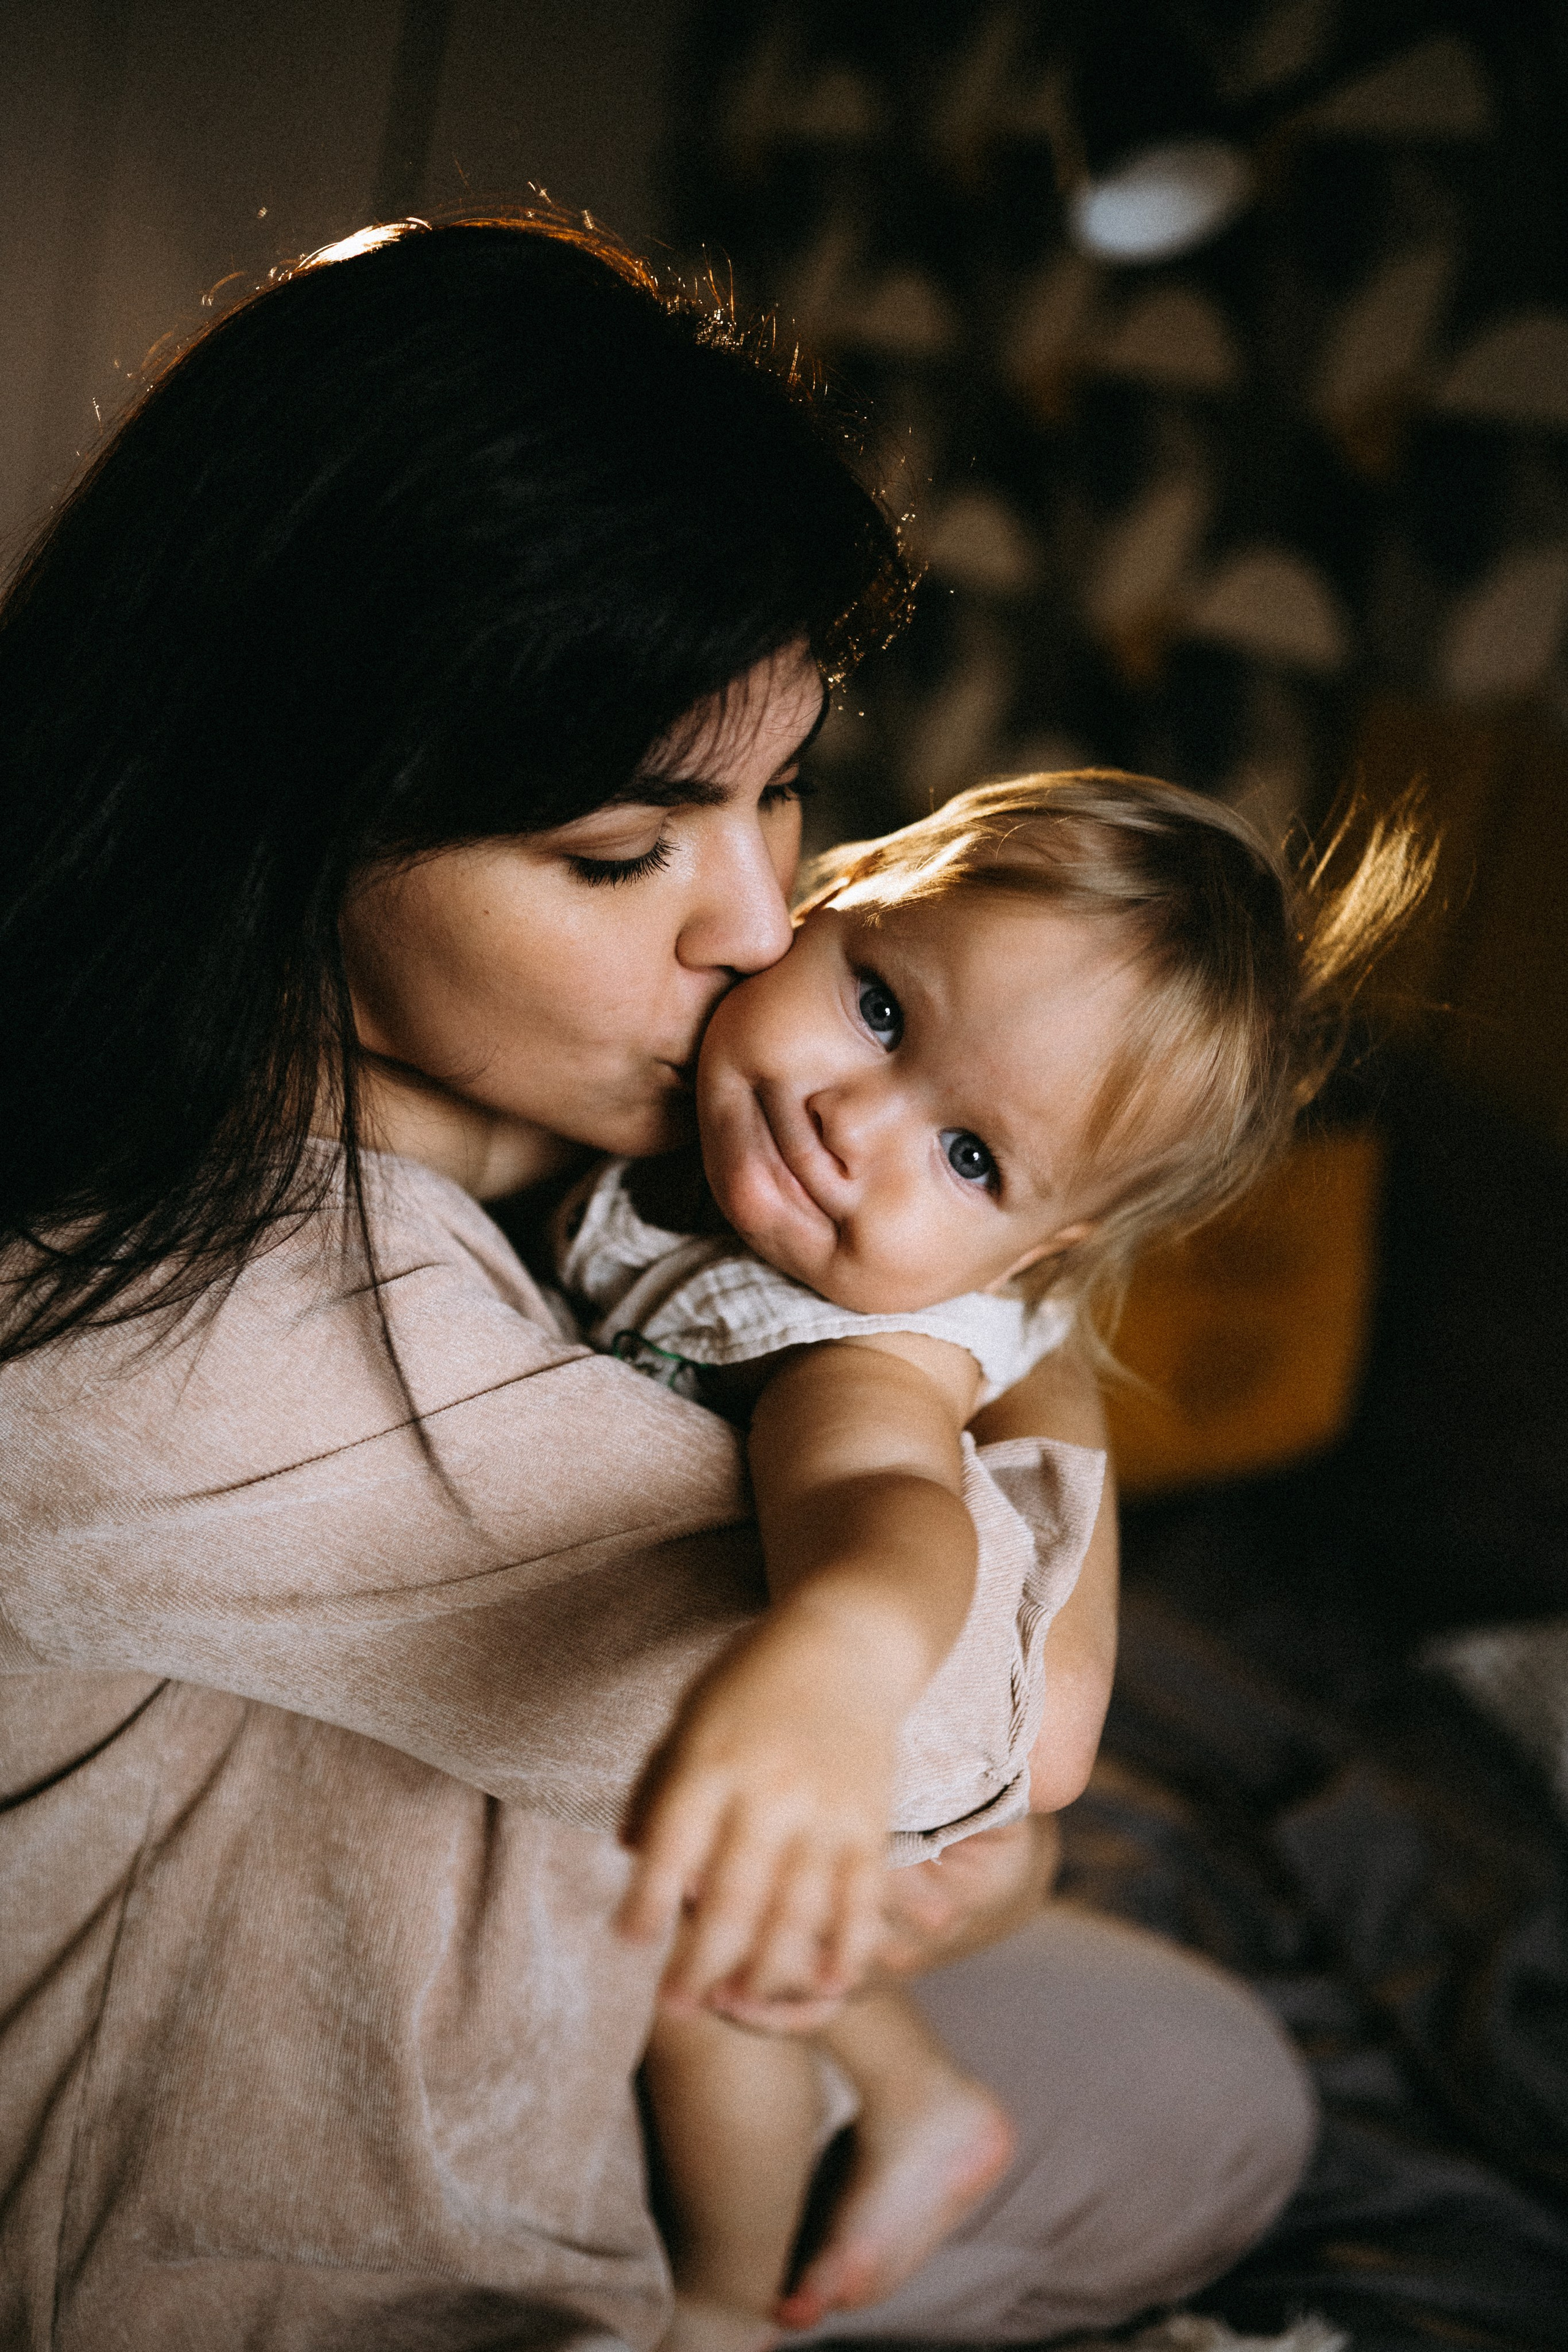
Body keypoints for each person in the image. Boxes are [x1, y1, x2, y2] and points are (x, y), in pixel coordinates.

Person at [1, 214, 1317, 2351]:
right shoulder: (191, 1323)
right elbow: (1011, 1722)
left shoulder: (436, 1087)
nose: (754, 927)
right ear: (284, 805)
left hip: (543, 1966)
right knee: (1217, 2111)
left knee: (1174, 2046)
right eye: (624, 855)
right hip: (299, 2243)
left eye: (784, 790)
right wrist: (1039, 1356)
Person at [554, 771, 1428, 2349]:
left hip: (828, 1750)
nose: (853, 1121)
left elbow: (889, 1508)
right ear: (827, 896)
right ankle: (918, 2097)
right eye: (880, 1007)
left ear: (1034, 1258)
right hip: (832, 1780)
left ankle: (724, 2303)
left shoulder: (853, 1338)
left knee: (714, 1996)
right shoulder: (680, 1120)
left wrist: (833, 1666)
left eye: (971, 1159)